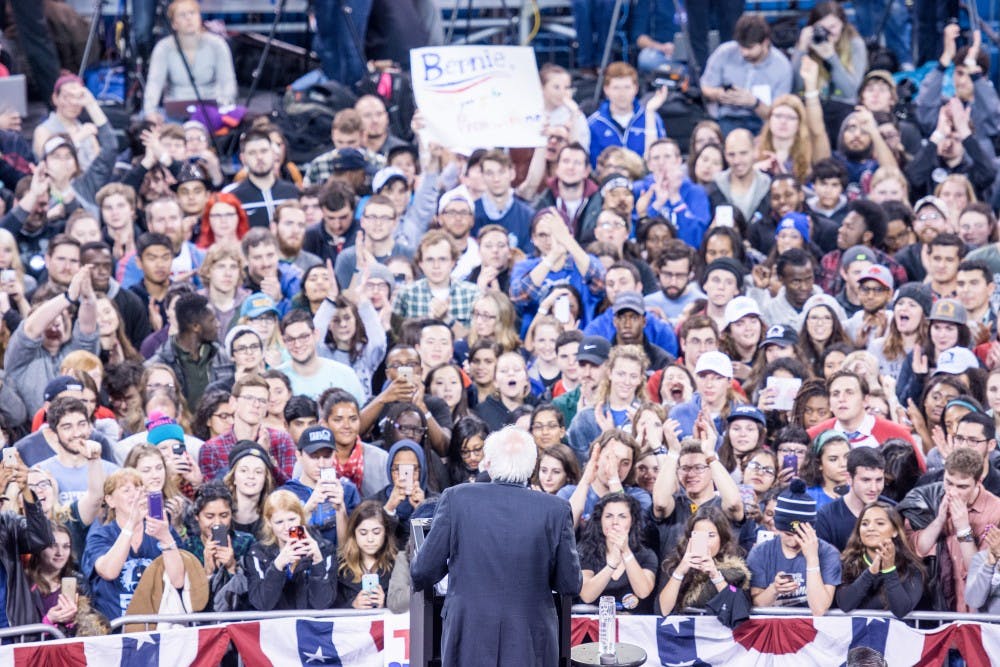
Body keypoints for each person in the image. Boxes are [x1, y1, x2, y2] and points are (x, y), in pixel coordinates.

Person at [411, 426, 582, 667]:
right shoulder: (555, 510)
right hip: (531, 641)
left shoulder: (456, 499)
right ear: (533, 466)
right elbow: (569, 583)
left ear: (488, 463)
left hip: (468, 636)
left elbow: (423, 571)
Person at [900, 448, 1000, 612]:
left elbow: (980, 573)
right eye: (949, 483)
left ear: (979, 481)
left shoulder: (996, 510)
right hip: (937, 608)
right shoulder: (929, 497)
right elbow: (914, 549)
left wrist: (963, 529)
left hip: (978, 614)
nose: (953, 492)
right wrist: (939, 520)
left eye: (962, 486)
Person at [81, 468, 183, 622]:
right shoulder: (100, 535)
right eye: (126, 490)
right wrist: (130, 525)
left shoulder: (162, 530)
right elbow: (108, 571)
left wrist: (165, 537)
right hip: (115, 630)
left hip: (159, 627)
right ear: (110, 500)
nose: (134, 494)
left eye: (138, 488)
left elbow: (178, 580)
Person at [747, 479, 842, 614]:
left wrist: (812, 559)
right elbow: (757, 604)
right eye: (787, 534)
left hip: (814, 630)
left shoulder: (828, 553)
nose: (793, 541)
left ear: (811, 530)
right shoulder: (760, 552)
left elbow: (819, 608)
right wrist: (774, 589)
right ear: (777, 527)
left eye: (800, 534)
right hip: (774, 627)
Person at [244, 489, 337, 611]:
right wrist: (277, 566)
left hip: (310, 625)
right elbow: (262, 603)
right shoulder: (257, 553)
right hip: (276, 627)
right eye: (279, 522)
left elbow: (322, 603)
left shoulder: (325, 549)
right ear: (269, 522)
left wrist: (318, 562)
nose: (287, 527)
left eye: (292, 519)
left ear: (301, 518)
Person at [700, 15, 793, 135]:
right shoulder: (724, 52)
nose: (744, 52)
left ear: (765, 42)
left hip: (763, 122)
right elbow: (704, 87)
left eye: (749, 48)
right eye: (741, 46)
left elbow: (779, 113)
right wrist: (720, 94)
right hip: (727, 117)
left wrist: (755, 103)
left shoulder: (782, 66)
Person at [143, 0, 237, 117]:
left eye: (192, 13)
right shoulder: (163, 48)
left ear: (200, 18)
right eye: (182, 15)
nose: (189, 18)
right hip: (175, 112)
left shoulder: (217, 44)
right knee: (146, 118)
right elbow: (154, 83)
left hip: (212, 109)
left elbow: (228, 82)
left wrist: (224, 107)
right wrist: (150, 112)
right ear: (174, 24)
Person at [835, 502, 925, 618]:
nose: (871, 528)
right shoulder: (846, 563)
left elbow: (901, 610)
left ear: (895, 531)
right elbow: (845, 604)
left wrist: (889, 570)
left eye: (880, 523)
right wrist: (870, 572)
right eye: (865, 524)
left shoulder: (911, 568)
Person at [658, 506, 752, 615]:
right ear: (689, 539)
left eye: (711, 535)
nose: (706, 542)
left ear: (722, 539)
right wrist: (680, 571)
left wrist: (715, 575)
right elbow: (662, 611)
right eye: (699, 535)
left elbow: (737, 609)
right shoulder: (675, 565)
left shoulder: (735, 572)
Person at [577, 492, 658, 613]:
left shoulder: (646, 555)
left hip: (634, 628)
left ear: (632, 521)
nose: (615, 522)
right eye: (609, 516)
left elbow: (643, 591)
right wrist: (611, 565)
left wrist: (625, 552)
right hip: (593, 627)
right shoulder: (585, 552)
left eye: (622, 516)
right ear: (600, 521)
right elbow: (587, 595)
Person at [586, 62, 666, 169]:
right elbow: (593, 165)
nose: (622, 93)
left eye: (627, 87)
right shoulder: (594, 124)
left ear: (636, 89)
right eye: (616, 88)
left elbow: (660, 156)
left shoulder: (652, 118)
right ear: (606, 90)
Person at [816, 448, 890, 551]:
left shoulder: (892, 511)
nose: (874, 488)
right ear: (849, 479)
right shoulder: (826, 517)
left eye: (879, 480)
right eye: (866, 480)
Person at [334, 499, 396, 609]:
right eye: (363, 533)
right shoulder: (339, 566)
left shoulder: (397, 565)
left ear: (385, 533)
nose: (370, 539)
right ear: (354, 533)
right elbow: (328, 607)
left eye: (376, 532)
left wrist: (385, 604)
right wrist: (352, 605)